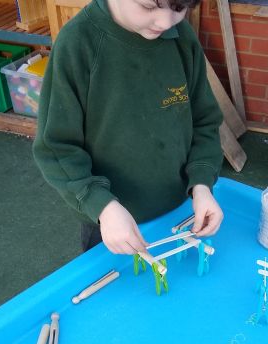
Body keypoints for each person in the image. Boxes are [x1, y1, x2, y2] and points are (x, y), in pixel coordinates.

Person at [33, 0, 224, 255]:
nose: (165, 22)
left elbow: (205, 121)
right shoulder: (77, 43)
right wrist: (103, 206)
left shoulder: (181, 37)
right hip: (110, 219)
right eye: (148, 7)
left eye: (178, 8)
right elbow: (56, 147)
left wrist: (202, 185)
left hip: (181, 209)